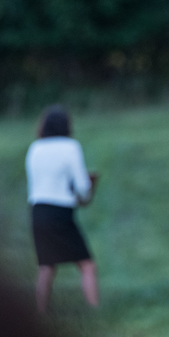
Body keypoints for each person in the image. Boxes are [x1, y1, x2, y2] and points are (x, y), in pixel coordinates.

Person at [25, 105, 99, 314]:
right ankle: (94, 310)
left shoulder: (35, 148)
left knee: (46, 267)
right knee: (87, 265)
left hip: (38, 211)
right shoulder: (70, 147)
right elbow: (82, 186)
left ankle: (41, 314)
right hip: (60, 212)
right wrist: (85, 194)